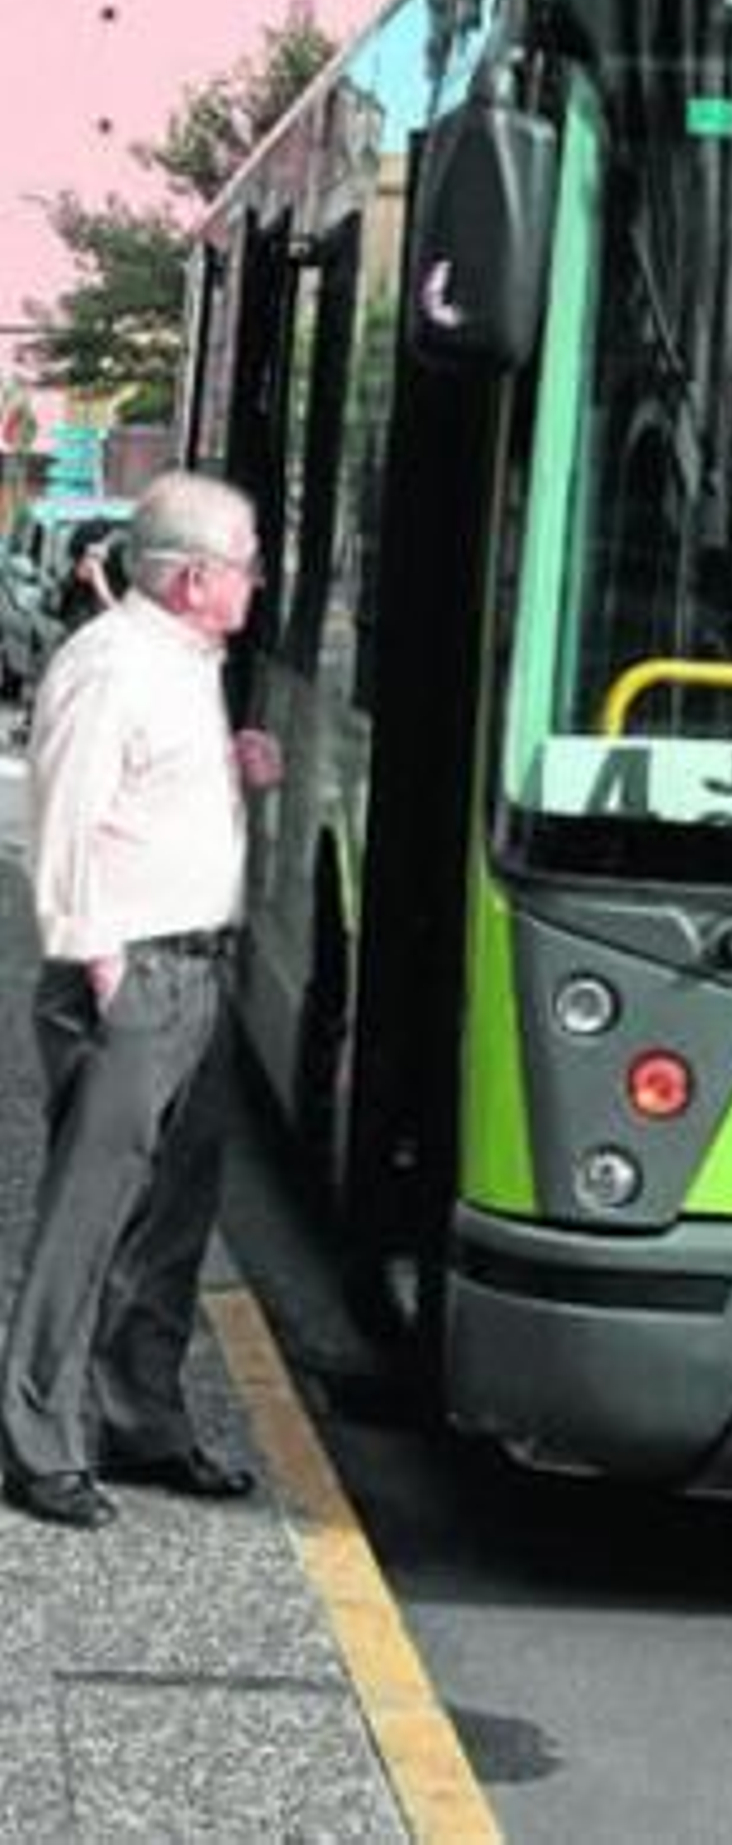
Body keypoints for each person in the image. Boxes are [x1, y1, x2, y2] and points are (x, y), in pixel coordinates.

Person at [0, 472, 281, 1529]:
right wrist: (95, 958)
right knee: (90, 1214)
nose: (258, 579)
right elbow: (62, 816)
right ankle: (32, 1439)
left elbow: (144, 801)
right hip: (132, 974)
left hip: (194, 970)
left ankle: (137, 1417)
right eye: (246, 561)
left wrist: (233, 771)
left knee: (173, 1215)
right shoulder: (110, 664)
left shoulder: (184, 664)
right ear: (194, 577)